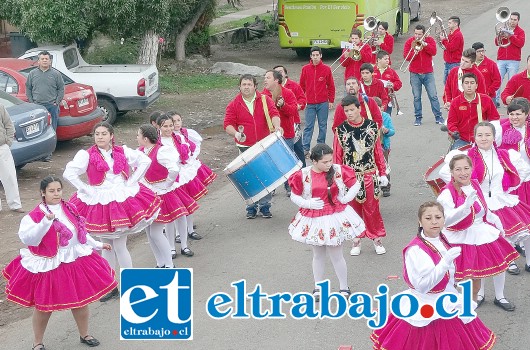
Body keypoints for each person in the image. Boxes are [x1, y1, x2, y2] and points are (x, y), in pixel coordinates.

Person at [2, 176, 117, 349]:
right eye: (51, 191)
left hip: (74, 260)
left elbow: (81, 232)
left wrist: (98, 244)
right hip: (49, 264)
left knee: (81, 300)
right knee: (44, 307)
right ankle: (37, 343)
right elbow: (30, 240)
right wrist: (45, 222)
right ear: (43, 193)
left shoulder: (70, 207)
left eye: (58, 190)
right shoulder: (34, 215)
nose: (56, 194)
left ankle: (84, 334)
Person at [370, 202, 496, 350]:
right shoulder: (415, 250)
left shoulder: (442, 239)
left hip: (448, 300)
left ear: (443, 220)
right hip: (424, 306)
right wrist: (445, 263)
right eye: (428, 218)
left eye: (438, 217)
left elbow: (458, 219)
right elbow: (422, 287)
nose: (434, 221)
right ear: (420, 222)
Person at [63, 122, 161, 301]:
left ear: (111, 136)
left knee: (120, 245)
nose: (99, 137)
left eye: (103, 133)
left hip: (120, 199)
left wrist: (132, 181)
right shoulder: (86, 155)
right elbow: (69, 173)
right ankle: (110, 285)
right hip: (98, 201)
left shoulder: (122, 151)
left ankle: (129, 285)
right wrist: (85, 189)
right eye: (97, 134)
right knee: (106, 245)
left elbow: (145, 160)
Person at [440, 122, 530, 278]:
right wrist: (465, 189)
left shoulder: (504, 154)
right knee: (496, 237)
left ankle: (529, 261)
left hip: (502, 198)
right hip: (480, 203)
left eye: (487, 135)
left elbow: (524, 170)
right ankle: (509, 262)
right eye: (480, 135)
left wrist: (508, 187)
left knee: (524, 231)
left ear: (494, 136)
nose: (484, 138)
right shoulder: (466, 156)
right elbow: (445, 172)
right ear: (474, 137)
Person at [437, 153, 518, 309]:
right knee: (462, 281)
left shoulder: (474, 184)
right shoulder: (447, 193)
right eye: (458, 169)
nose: (463, 172)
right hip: (459, 237)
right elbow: (446, 220)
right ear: (452, 172)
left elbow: (484, 210)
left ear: (471, 169)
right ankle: (464, 307)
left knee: (498, 264)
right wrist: (464, 208)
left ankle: (498, 297)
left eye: (466, 168)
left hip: (482, 232)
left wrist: (497, 223)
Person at [287, 143, 365, 299]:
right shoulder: (303, 174)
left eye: (330, 160)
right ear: (314, 161)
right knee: (318, 255)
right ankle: (318, 287)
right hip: (314, 218)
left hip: (335, 216)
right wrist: (307, 203)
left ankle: (344, 287)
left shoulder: (339, 170)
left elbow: (356, 184)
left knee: (337, 255)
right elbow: (294, 195)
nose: (329, 164)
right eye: (325, 162)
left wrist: (346, 199)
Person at [333, 95, 388, 255]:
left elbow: (378, 152)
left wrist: (382, 172)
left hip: (369, 174)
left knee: (372, 209)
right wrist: (338, 178)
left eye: (352, 110)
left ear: (359, 109)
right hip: (350, 176)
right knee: (352, 209)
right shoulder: (341, 130)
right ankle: (356, 240)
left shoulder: (371, 127)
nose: (349, 113)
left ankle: (376, 238)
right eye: (346, 111)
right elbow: (337, 155)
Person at [137, 124, 198, 267]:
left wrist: (167, 184)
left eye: (138, 135)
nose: (137, 138)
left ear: (145, 138)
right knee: (149, 232)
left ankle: (169, 264)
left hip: (161, 194)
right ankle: (160, 263)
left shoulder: (161, 151)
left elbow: (174, 169)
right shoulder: (140, 151)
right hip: (146, 196)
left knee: (156, 232)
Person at [224, 74, 281, 218]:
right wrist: (236, 133)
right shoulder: (234, 104)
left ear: (255, 86)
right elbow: (228, 124)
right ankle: (251, 206)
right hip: (245, 147)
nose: (246, 87)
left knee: (265, 176)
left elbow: (274, 113)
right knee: (248, 178)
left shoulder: (265, 99)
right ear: (240, 86)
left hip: (264, 144)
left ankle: (265, 206)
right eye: (244, 84)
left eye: (249, 84)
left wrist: (277, 126)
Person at [156, 114, 201, 258]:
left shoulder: (179, 138)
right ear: (158, 127)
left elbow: (186, 154)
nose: (169, 128)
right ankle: (171, 248)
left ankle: (184, 245)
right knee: (170, 216)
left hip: (180, 179)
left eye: (170, 125)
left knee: (182, 213)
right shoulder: (157, 142)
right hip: (167, 181)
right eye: (165, 126)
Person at [169, 111, 217, 243]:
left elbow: (195, 146)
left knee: (189, 202)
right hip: (176, 174)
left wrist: (191, 158)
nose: (176, 124)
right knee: (177, 204)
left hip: (187, 171)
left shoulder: (185, 134)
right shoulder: (166, 139)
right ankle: (179, 233)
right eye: (173, 122)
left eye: (178, 120)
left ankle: (190, 229)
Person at [262, 69, 298, 195]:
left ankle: (289, 186)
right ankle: (272, 187)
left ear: (276, 80)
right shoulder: (262, 95)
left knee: (286, 162)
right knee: (270, 162)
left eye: (268, 77)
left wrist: (283, 106)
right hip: (268, 136)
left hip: (286, 133)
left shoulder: (287, 93)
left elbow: (293, 111)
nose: (265, 80)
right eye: (265, 77)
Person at [25, 50, 64, 161]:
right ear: (39, 61)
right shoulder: (32, 74)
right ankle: (37, 154)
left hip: (52, 106)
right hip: (37, 107)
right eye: (42, 59)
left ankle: (48, 154)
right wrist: (32, 101)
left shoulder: (56, 74)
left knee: (51, 130)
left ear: (50, 61)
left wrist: (57, 101)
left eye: (47, 59)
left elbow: (61, 88)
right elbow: (28, 88)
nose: (45, 61)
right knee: (37, 130)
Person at [403, 24, 443, 126]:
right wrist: (414, 53)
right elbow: (406, 57)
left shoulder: (429, 40)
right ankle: (418, 117)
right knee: (416, 97)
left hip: (428, 73)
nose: (417, 36)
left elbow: (434, 52)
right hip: (415, 73)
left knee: (433, 95)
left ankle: (438, 116)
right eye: (416, 33)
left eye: (419, 34)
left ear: (424, 34)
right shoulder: (409, 42)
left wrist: (425, 45)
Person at [446, 73, 500, 150]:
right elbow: (451, 122)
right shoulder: (455, 102)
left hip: (482, 139)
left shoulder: (486, 99)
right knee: (455, 159)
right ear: (462, 86)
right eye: (466, 83)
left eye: (472, 83)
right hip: (462, 139)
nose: (469, 85)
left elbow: (495, 120)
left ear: (476, 85)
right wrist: (454, 132)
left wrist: (490, 135)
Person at [299, 46, 335, 155]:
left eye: (317, 55)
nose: (315, 57)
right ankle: (305, 148)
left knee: (322, 125)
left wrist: (331, 100)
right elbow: (301, 86)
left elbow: (331, 86)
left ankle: (321, 147)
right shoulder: (305, 69)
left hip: (323, 103)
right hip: (309, 103)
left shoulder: (326, 69)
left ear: (321, 56)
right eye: (313, 55)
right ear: (310, 56)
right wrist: (301, 101)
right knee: (308, 126)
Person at [497, 100, 530, 206]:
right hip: (512, 179)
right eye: (511, 114)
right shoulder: (500, 129)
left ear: (526, 114)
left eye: (518, 114)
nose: (514, 117)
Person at [273, 65, 307, 167]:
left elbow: (302, 100)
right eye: (276, 72)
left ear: (285, 74)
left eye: (280, 71)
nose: (279, 74)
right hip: (279, 124)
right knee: (285, 150)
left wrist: (297, 106)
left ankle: (303, 170)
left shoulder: (294, 86)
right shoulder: (271, 89)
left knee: (297, 148)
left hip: (294, 122)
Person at [495, 11, 525, 106]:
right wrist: (500, 34)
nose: (512, 21)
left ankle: (511, 102)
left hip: (514, 60)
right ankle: (495, 101)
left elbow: (520, 44)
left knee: (512, 82)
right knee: (497, 80)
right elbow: (497, 43)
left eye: (514, 20)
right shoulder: (504, 28)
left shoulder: (520, 32)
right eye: (511, 19)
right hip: (501, 59)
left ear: (518, 20)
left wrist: (510, 36)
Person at [0, 104, 24, 213]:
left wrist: (8, 142)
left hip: (2, 147)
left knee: (9, 176)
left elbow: (9, 124)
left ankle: (15, 204)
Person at [373, 97, 395, 197]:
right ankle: (373, 186)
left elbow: (392, 131)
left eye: (377, 107)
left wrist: (387, 131)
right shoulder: (367, 117)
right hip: (371, 147)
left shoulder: (385, 116)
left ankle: (386, 187)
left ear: (381, 108)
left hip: (383, 146)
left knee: (384, 166)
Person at [372, 50, 402, 116]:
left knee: (386, 121)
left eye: (388, 59)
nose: (387, 60)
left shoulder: (391, 71)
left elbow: (399, 83)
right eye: (385, 59)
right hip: (373, 100)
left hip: (387, 101)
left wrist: (393, 85)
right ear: (379, 60)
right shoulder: (371, 71)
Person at [440, 16, 465, 84]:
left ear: (455, 24)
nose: (448, 25)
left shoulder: (458, 35)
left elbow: (451, 48)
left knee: (453, 84)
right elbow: (447, 46)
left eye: (450, 23)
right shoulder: (451, 34)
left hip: (454, 63)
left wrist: (443, 40)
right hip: (448, 63)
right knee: (447, 83)